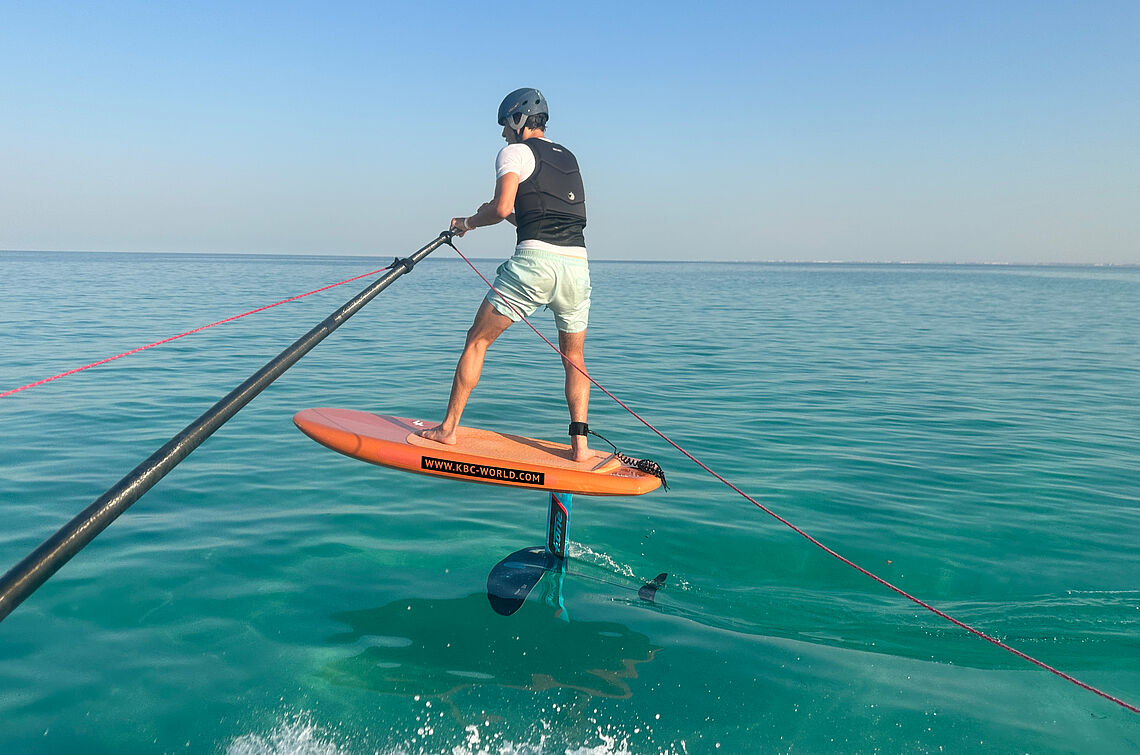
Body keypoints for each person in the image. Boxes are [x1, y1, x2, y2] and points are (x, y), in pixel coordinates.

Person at [419, 88, 593, 462]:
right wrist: (502, 214)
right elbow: (544, 217)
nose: (502, 134)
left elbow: (501, 208)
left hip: (534, 266)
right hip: (577, 266)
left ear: (517, 120)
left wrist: (468, 222)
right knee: (574, 359)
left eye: (504, 126)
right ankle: (580, 446)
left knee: (476, 340)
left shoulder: (514, 152)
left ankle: (448, 430)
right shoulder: (570, 157)